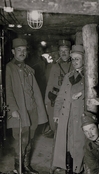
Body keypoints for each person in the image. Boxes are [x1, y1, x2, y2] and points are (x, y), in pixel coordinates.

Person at [5, 38, 48, 174]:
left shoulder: (28, 69)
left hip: (32, 110)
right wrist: (13, 109)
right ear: (13, 52)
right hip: (20, 111)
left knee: (29, 139)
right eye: (19, 50)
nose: (22, 53)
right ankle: (18, 168)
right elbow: (8, 90)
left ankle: (26, 166)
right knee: (21, 141)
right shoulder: (9, 68)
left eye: (24, 50)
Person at [52, 45, 85, 174]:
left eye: (78, 59)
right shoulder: (68, 76)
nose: (75, 62)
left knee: (78, 145)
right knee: (66, 144)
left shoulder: (90, 76)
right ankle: (68, 169)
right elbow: (60, 97)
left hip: (79, 116)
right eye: (73, 59)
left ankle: (78, 170)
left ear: (84, 59)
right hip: (66, 115)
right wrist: (56, 113)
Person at [44, 39, 73, 137]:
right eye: (61, 51)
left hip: (70, 97)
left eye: (65, 50)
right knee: (55, 124)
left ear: (70, 52)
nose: (63, 53)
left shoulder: (74, 65)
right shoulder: (55, 67)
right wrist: (47, 102)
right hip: (56, 98)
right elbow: (50, 84)